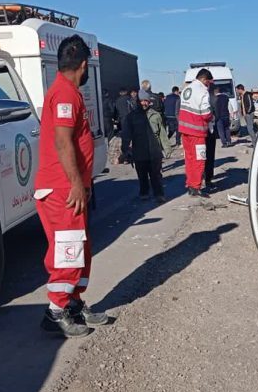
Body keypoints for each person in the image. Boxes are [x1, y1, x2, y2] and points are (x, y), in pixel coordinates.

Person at [34, 35, 110, 337]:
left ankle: (73, 303)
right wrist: (77, 185)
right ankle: (55, 312)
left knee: (79, 249)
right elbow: (63, 143)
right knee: (67, 249)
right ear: (83, 64)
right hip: (62, 189)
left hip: (69, 187)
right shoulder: (65, 95)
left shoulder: (67, 92)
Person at [122, 89, 173, 201]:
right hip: (139, 151)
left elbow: (162, 133)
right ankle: (144, 193)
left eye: (146, 101)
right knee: (142, 175)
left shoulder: (156, 115)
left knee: (156, 175)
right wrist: (125, 149)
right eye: (141, 101)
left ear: (149, 101)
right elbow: (126, 134)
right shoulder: (131, 117)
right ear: (137, 102)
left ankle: (159, 194)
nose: (144, 103)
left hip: (155, 151)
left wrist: (167, 148)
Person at [178, 68, 214, 196]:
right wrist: (212, 117)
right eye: (208, 82)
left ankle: (190, 184)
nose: (209, 85)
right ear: (204, 80)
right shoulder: (203, 91)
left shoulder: (187, 89)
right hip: (197, 131)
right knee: (199, 160)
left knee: (189, 159)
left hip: (184, 130)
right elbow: (205, 113)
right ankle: (196, 187)